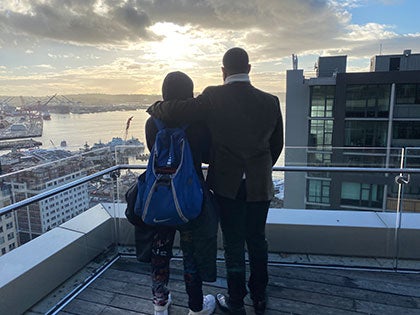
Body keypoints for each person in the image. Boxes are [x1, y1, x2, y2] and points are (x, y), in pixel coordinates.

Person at [147, 47, 284, 314]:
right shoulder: (271, 101)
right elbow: (276, 146)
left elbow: (176, 108)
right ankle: (259, 297)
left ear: (223, 71)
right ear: (249, 68)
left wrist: (155, 108)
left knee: (233, 243)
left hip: (226, 184)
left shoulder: (213, 96)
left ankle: (235, 301)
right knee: (257, 240)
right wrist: (258, 170)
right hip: (259, 184)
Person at [139, 71, 217, 315]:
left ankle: (160, 302)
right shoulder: (198, 124)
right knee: (190, 252)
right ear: (189, 93)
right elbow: (206, 157)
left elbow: (154, 151)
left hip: (160, 195)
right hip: (189, 196)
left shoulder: (152, 122)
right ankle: (195, 306)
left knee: (160, 249)